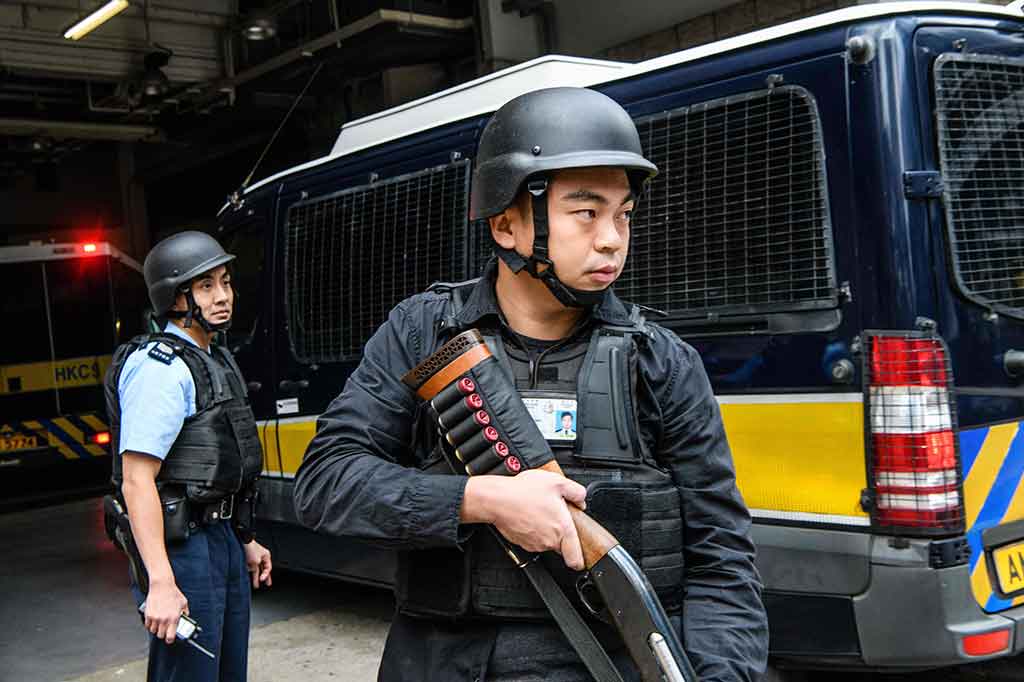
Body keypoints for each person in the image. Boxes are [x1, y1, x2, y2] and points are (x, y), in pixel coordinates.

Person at [293, 87, 767, 681]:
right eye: (586, 212)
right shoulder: (424, 334)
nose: (612, 238)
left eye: (623, 214)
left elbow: (722, 559)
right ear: (506, 225)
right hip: (446, 663)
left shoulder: (661, 362)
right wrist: (482, 501)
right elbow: (326, 482)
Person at [104, 231, 272, 682]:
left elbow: (217, 463)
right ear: (174, 297)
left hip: (221, 538)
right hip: (181, 548)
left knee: (227, 672)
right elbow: (137, 480)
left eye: (226, 282)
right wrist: (161, 581)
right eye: (206, 286)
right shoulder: (159, 369)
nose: (223, 296)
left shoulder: (214, 359)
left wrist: (244, 539)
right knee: (190, 673)